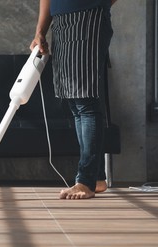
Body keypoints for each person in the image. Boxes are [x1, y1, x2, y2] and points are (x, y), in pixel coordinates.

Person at [30, 0, 117, 199]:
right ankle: (96, 178)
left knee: (86, 102)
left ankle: (85, 181)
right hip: (61, 21)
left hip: (88, 17)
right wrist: (40, 31)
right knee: (76, 103)